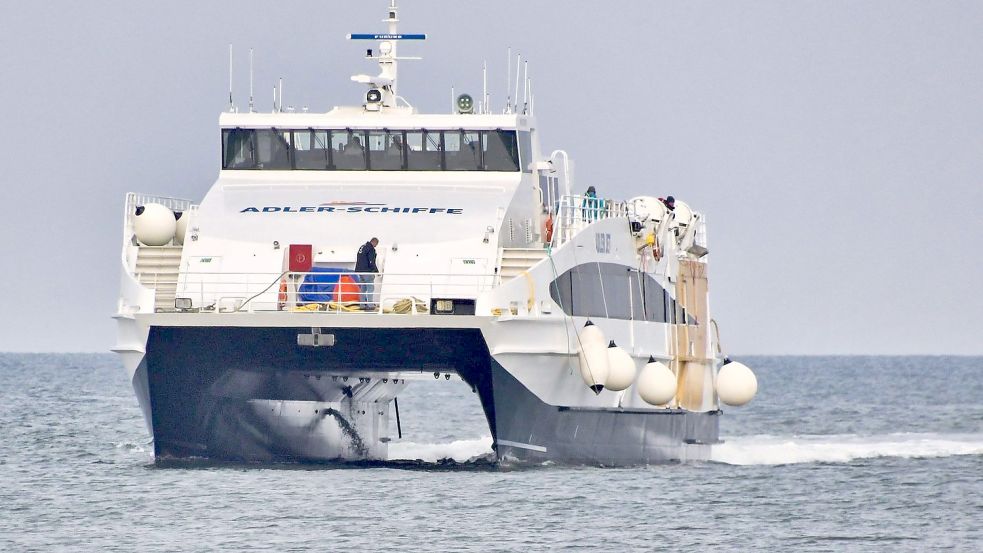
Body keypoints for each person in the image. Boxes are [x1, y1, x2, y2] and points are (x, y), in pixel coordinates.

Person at [354, 237, 379, 309]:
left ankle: (362, 305)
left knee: (363, 288)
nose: (375, 246)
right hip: (367, 271)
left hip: (360, 271)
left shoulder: (362, 247)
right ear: (374, 242)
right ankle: (370, 305)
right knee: (370, 288)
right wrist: (376, 271)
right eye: (376, 244)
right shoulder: (370, 248)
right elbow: (371, 261)